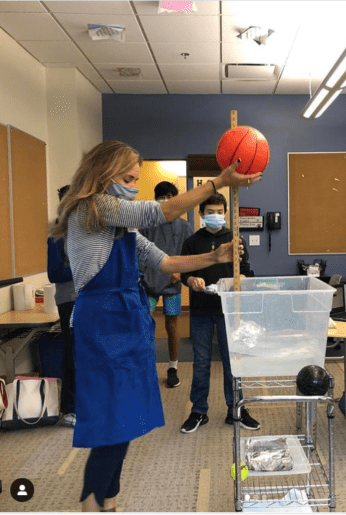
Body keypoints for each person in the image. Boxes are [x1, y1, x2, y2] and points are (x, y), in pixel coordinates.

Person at [49, 140, 260, 512]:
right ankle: (95, 502)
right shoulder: (92, 208)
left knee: (125, 419)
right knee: (109, 421)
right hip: (102, 323)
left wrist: (214, 255)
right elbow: (159, 212)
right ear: (104, 172)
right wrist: (217, 182)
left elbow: (165, 263)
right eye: (128, 178)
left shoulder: (120, 225)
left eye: (135, 180)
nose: (133, 186)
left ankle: (106, 498)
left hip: (126, 319)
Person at [179, 193, 260, 434]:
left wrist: (237, 281)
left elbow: (246, 271)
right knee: (201, 362)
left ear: (226, 213)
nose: (215, 216)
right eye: (210, 212)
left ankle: (236, 408)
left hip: (229, 310)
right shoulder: (192, 242)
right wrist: (191, 279)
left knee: (232, 362)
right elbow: (184, 273)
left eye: (219, 212)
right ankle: (198, 411)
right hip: (201, 310)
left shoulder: (235, 240)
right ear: (202, 214)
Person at [140, 181, 194, 388]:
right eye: (162, 196)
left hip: (173, 285)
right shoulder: (147, 225)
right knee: (146, 325)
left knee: (172, 325)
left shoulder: (184, 226)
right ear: (155, 200)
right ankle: (146, 368)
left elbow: (190, 255)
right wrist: (142, 276)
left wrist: (180, 271)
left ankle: (173, 367)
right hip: (149, 285)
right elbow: (138, 253)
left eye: (170, 196)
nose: (166, 200)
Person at [47, 185, 77, 427]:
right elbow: (55, 272)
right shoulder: (57, 233)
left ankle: (89, 405)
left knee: (91, 353)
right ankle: (69, 408)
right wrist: (84, 268)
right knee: (73, 353)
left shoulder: (88, 230)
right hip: (69, 300)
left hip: (91, 299)